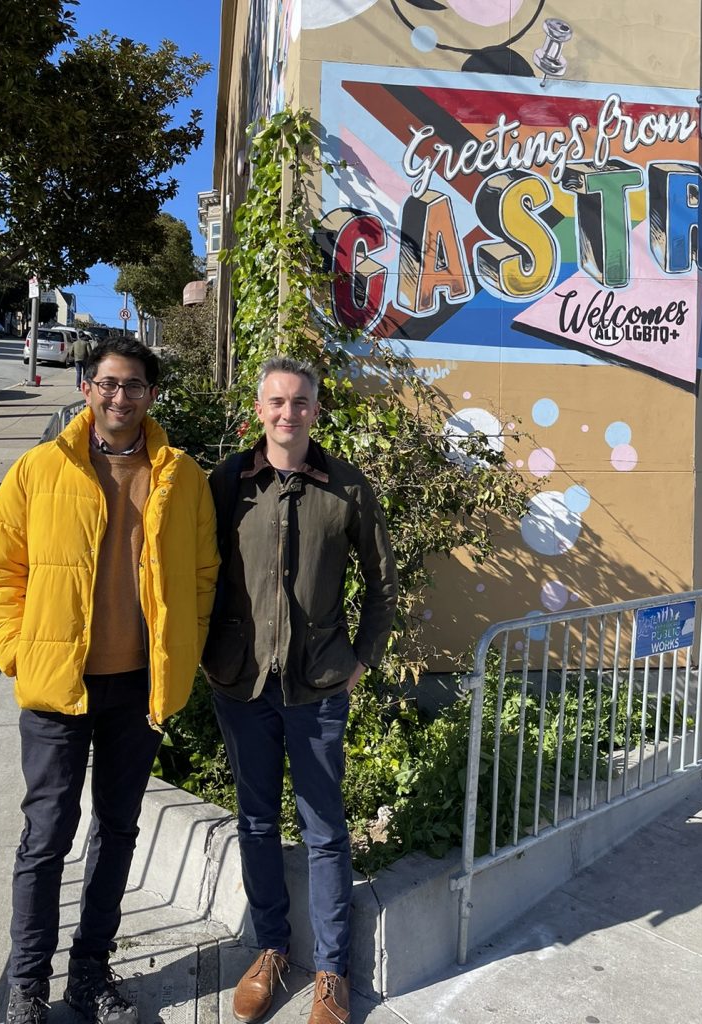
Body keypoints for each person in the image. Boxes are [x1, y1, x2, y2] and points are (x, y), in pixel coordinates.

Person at [0, 337, 219, 1024]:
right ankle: (28, 986)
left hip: (137, 688)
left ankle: (90, 974)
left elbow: (202, 574)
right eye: (109, 383)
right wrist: (18, 652)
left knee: (117, 829)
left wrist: (182, 647)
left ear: (151, 395)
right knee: (46, 834)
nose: (120, 397)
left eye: (134, 385)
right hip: (58, 686)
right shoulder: (39, 469)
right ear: (86, 388)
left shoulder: (181, 476)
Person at [204, 355, 398, 1024]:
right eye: (277, 402)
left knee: (323, 831)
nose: (288, 413)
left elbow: (382, 582)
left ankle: (332, 972)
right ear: (258, 410)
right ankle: (271, 949)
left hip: (317, 685)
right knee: (255, 821)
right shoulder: (228, 482)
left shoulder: (346, 487)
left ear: (316, 409)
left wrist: (363, 658)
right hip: (242, 683)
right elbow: (197, 572)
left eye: (301, 402)